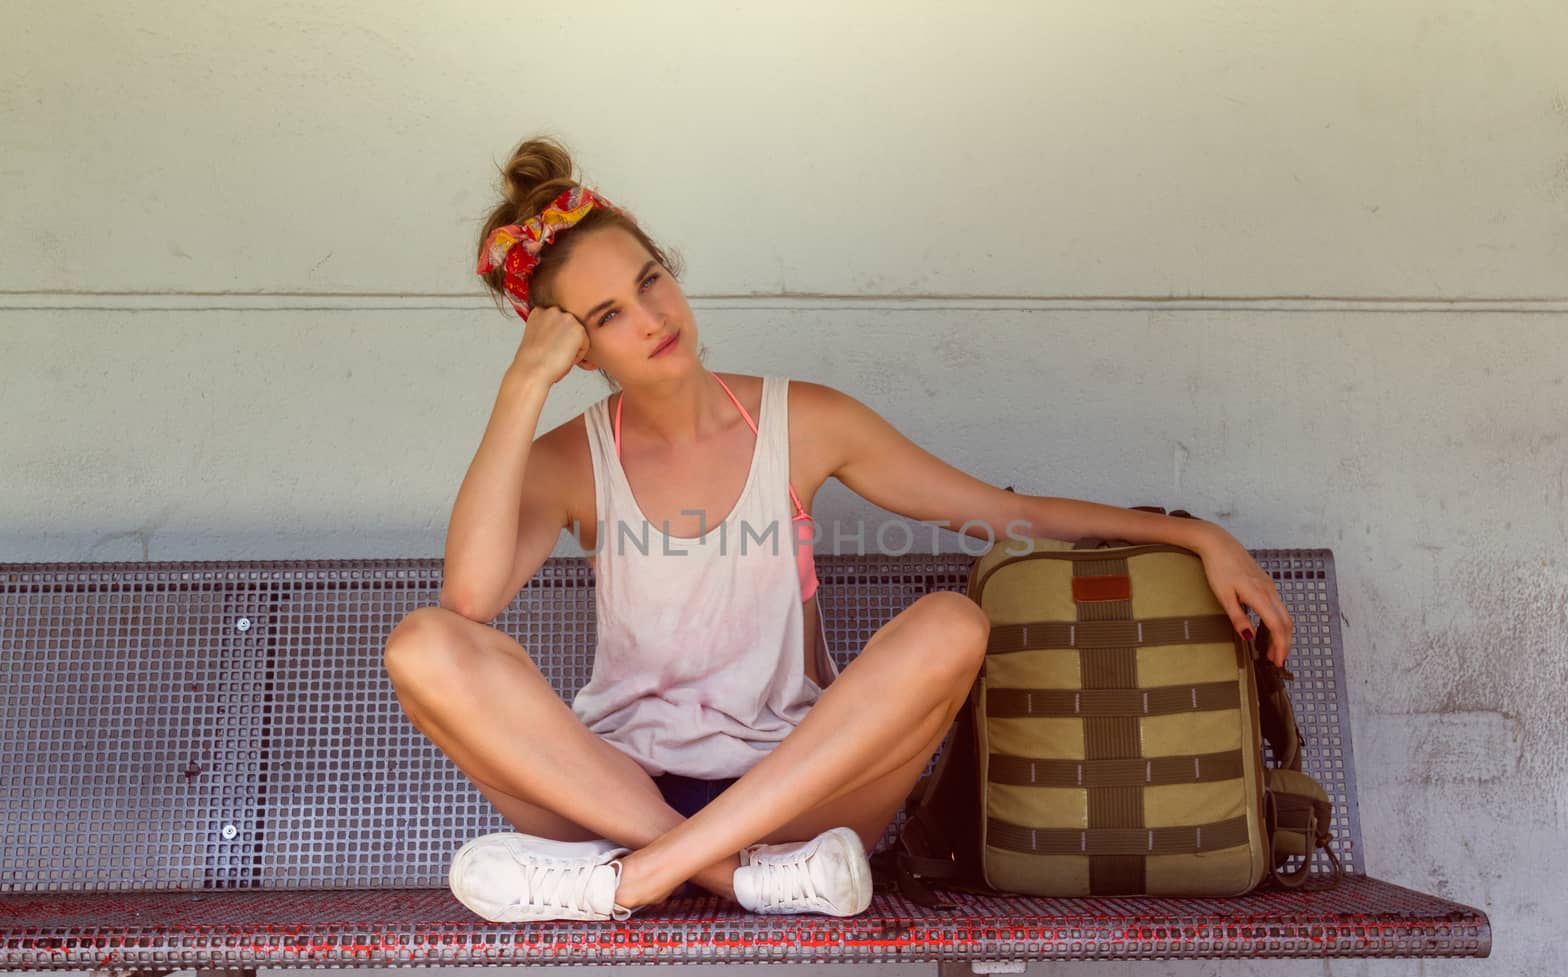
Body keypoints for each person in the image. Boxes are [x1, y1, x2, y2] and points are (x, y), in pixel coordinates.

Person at [381, 135, 1294, 925]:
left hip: (795, 801)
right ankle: (721, 875)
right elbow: (469, 601)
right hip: (610, 799)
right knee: (423, 642)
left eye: (649, 280)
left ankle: (640, 880)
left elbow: (999, 512)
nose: (653, 317)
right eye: (608, 315)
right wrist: (521, 388)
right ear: (574, 347)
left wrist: (1195, 536)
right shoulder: (566, 457)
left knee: (954, 625)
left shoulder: (804, 421)